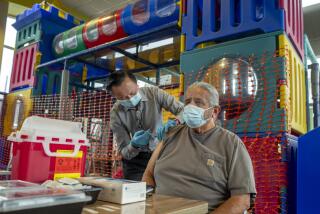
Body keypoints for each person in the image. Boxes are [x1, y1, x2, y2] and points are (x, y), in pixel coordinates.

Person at [142, 82, 256, 213]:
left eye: (198, 102)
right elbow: (148, 174)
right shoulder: (171, 134)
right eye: (188, 102)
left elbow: (242, 199)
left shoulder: (231, 144)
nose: (191, 107)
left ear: (214, 111)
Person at [108, 71, 184, 181]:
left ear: (137, 85)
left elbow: (183, 110)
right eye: (122, 98)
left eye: (132, 93)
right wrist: (134, 145)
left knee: (163, 192)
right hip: (135, 162)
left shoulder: (154, 93)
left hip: (160, 154)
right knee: (136, 194)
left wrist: (176, 122)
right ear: (115, 97)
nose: (129, 99)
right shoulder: (115, 113)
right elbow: (124, 152)